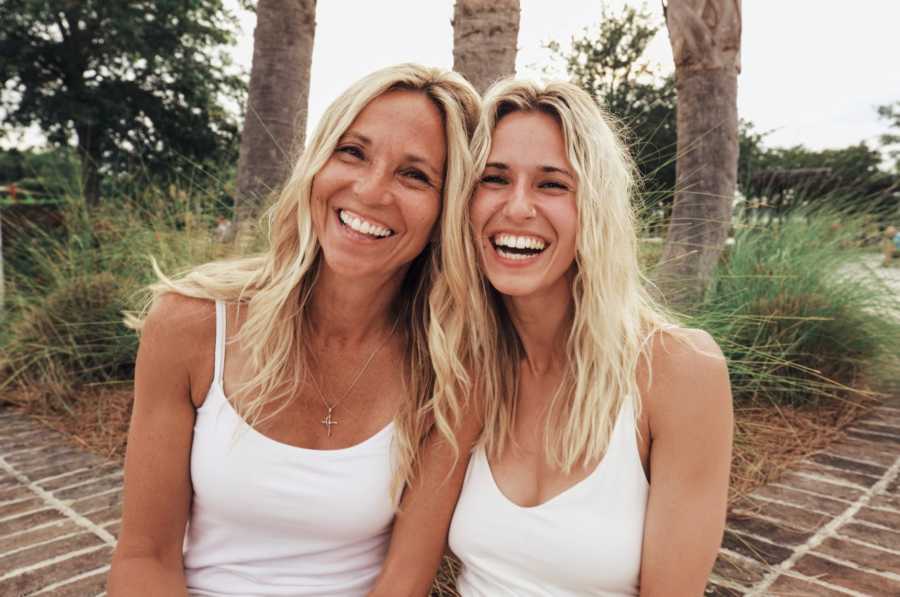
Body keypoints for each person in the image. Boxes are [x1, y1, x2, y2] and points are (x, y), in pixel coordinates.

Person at [107, 64, 479, 597]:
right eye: (352, 152)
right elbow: (145, 556)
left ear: (448, 210)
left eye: (414, 175)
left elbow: (402, 582)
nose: (371, 190)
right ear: (316, 163)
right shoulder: (191, 325)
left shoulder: (449, 369)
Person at [373, 79, 733, 596]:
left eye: (552, 184)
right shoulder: (468, 365)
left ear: (595, 208)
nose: (518, 208)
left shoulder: (678, 371)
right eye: (494, 179)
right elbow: (404, 577)